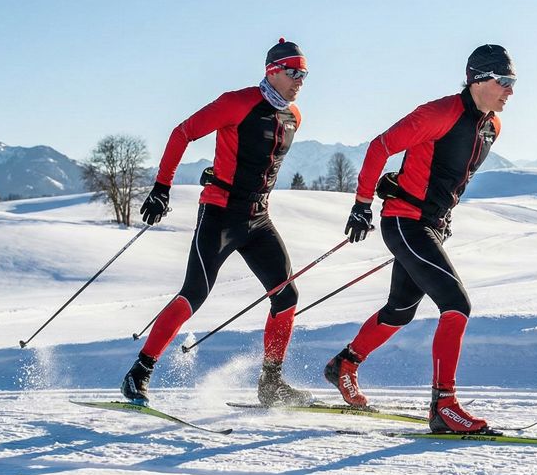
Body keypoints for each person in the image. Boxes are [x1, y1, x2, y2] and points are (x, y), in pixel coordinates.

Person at [323, 44, 516, 433]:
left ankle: (345, 364)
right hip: (406, 222)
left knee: (400, 310)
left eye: (513, 83)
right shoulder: (438, 113)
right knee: (456, 304)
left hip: (431, 224)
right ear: (478, 79)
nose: (510, 91)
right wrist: (362, 204)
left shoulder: (492, 125)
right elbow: (381, 146)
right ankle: (444, 406)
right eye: (504, 81)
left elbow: (443, 169)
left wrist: (432, 203)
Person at [121, 38, 313, 408]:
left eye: (304, 74)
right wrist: (162, 187)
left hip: (258, 218)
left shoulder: (294, 116)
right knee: (194, 294)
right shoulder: (236, 103)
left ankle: (270, 383)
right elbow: (183, 132)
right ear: (272, 72)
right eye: (293, 72)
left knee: (286, 296)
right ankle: (139, 373)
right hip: (221, 214)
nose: (300, 80)